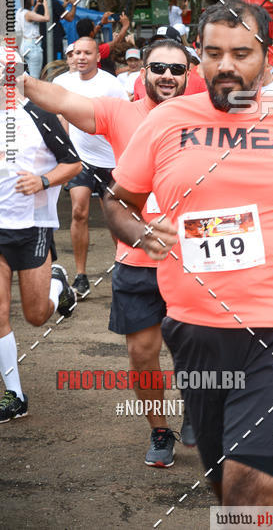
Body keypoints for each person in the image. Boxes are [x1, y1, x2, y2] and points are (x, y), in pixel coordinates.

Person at [104, 0, 273, 508]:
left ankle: (265, 499)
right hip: (197, 326)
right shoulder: (167, 119)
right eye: (212, 53)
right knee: (221, 480)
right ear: (198, 57)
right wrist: (139, 233)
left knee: (243, 497)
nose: (226, 65)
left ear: (267, 57)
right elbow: (119, 200)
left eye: (240, 53)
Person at [23, 40, 193, 466]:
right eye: (158, 67)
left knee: (200, 348)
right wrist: (18, 77)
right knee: (142, 353)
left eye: (176, 68)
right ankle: (159, 429)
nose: (167, 76)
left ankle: (199, 410)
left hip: (196, 259)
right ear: (142, 74)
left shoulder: (206, 114)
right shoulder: (121, 112)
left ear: (189, 74)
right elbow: (60, 98)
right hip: (137, 256)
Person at [0, 47, 80, 422]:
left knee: (35, 316)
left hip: (32, 227)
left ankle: (56, 287)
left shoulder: (39, 116)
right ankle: (15, 396)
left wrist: (43, 180)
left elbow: (73, 163)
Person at [53, 36, 128, 296]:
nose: (81, 57)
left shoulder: (111, 84)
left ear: (98, 56)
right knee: (78, 213)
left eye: (87, 53)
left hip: (110, 160)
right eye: (76, 53)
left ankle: (124, 268)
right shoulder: (61, 83)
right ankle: (81, 276)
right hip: (79, 159)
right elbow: (56, 118)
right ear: (71, 56)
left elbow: (125, 120)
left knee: (114, 218)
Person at [133, 27, 206, 100]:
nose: (167, 76)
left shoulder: (198, 83)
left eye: (168, 45)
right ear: (143, 75)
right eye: (156, 44)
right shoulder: (140, 80)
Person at [38, 0, 75, 64]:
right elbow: (70, 18)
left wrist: (63, 6)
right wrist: (74, 4)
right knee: (57, 64)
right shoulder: (53, 3)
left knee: (46, 65)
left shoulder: (39, 2)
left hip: (43, 39)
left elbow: (54, 14)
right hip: (55, 40)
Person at [15, 0, 49, 79]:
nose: (34, 0)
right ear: (29, 0)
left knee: (24, 75)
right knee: (34, 78)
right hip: (33, 45)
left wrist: (37, 5)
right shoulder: (28, 14)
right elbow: (47, 18)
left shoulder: (20, 11)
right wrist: (45, 5)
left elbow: (30, 17)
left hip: (24, 44)